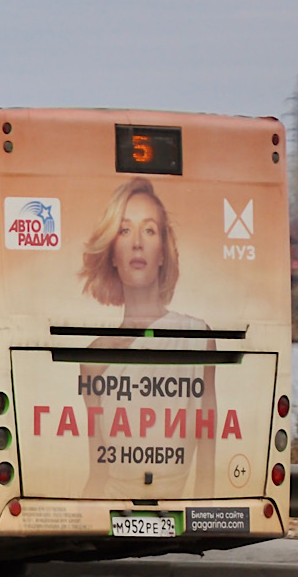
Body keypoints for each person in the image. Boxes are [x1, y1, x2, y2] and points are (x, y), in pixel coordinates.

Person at [77, 178, 216, 497]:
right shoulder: (92, 360)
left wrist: (202, 520)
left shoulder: (197, 337)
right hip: (110, 509)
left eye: (149, 230)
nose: (137, 243)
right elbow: (98, 472)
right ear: (112, 252)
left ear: (163, 252)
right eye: (125, 230)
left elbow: (206, 460)